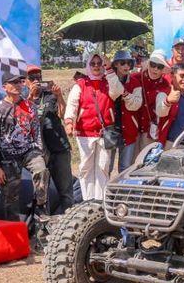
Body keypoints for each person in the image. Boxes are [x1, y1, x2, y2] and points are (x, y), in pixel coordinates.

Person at [0, 72, 50, 225]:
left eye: (20, 82)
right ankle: (13, 229)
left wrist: (38, 151)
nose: (18, 85)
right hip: (7, 157)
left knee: (41, 170)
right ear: (4, 87)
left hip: (29, 151)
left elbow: (36, 130)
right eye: (13, 82)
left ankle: (41, 208)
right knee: (11, 196)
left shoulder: (30, 106)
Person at [64, 50, 124, 201]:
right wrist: (69, 121)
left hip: (104, 133)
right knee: (86, 168)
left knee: (103, 167)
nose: (96, 66)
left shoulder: (108, 82)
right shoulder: (81, 84)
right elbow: (72, 104)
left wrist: (110, 69)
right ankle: (87, 200)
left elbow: (118, 91)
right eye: (93, 64)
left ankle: (100, 201)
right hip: (85, 133)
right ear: (88, 65)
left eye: (99, 63)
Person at [26, 65, 73, 212]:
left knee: (65, 190)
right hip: (40, 150)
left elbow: (62, 114)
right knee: (42, 190)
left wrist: (59, 96)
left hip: (59, 147)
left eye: (38, 77)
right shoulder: (23, 97)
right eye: (32, 78)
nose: (36, 80)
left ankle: (68, 219)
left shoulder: (50, 93)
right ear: (26, 81)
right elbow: (22, 119)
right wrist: (30, 96)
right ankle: (44, 223)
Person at [109, 49, 143, 173]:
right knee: (107, 166)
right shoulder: (107, 80)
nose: (126, 66)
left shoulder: (135, 82)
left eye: (129, 63)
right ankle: (106, 192)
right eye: (122, 63)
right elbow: (111, 95)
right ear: (116, 64)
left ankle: (121, 191)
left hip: (128, 129)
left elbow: (136, 105)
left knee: (125, 168)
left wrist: (125, 94)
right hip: (110, 129)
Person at [158, 62, 184, 146]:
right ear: (172, 76)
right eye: (182, 75)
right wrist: (168, 101)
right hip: (172, 146)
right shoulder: (164, 93)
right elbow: (160, 112)